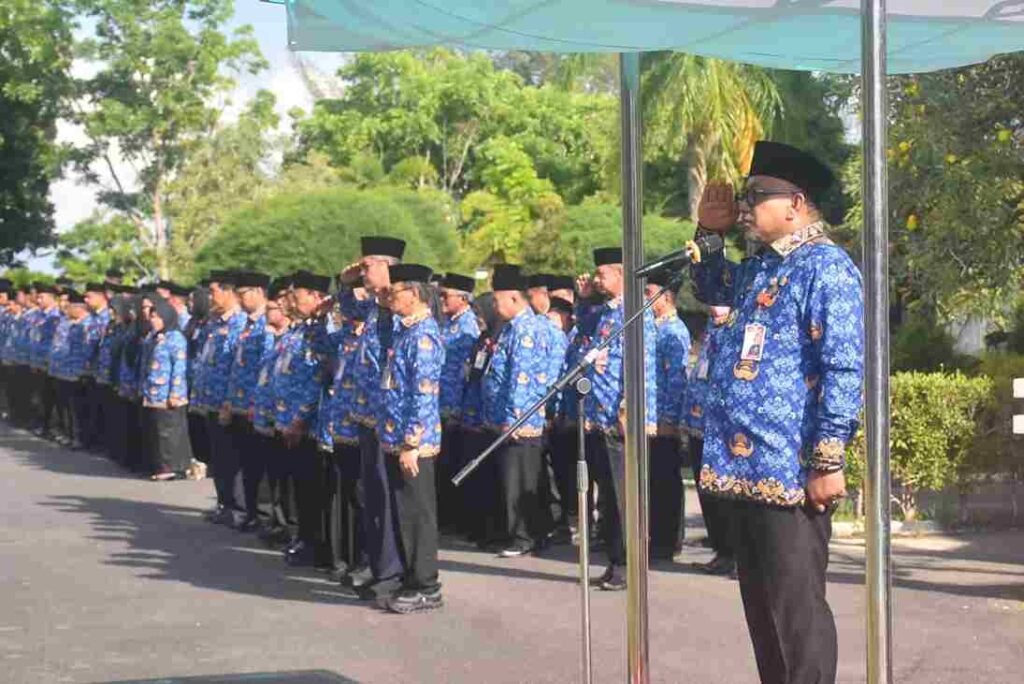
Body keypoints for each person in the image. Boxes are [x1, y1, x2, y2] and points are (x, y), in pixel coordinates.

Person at [693, 140, 864, 684]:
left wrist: (828, 459)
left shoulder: (827, 269)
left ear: (795, 202)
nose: (745, 206)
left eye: (755, 197)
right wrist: (711, 235)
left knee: (798, 613)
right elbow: (711, 286)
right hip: (747, 468)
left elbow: (843, 368)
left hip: (792, 470)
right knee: (763, 613)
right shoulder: (762, 267)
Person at [576, 247, 658, 590]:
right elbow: (583, 331)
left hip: (619, 417)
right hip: (600, 415)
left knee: (623, 497)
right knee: (608, 496)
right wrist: (583, 299)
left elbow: (640, 364)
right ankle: (614, 559)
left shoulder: (635, 312)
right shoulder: (608, 313)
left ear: (621, 275)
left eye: (602, 274)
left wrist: (629, 408)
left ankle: (629, 564)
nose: (597, 279)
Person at [339, 236, 406, 597]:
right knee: (372, 497)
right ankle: (379, 566)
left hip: (390, 420)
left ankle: (393, 573)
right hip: (366, 415)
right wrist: (347, 282)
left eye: (367, 266)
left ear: (388, 266)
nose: (362, 272)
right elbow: (346, 310)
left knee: (390, 498)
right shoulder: (372, 306)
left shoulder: (404, 306)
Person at [380, 263, 445, 614]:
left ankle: (427, 584)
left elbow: (423, 393)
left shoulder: (422, 336)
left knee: (418, 514)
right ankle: (411, 577)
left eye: (396, 291)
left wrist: (411, 443)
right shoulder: (404, 330)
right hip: (395, 435)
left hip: (414, 443)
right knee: (404, 513)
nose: (391, 296)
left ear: (416, 294)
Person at [483, 264, 551, 559]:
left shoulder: (525, 329)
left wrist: (513, 420)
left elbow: (520, 379)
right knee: (513, 481)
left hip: (520, 422)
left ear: (513, 298)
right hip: (507, 419)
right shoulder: (511, 328)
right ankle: (520, 533)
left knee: (520, 482)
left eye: (497, 300)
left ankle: (524, 536)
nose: (495, 307)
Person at [272, 271, 332, 568]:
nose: (292, 301)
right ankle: (302, 537)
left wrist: (299, 418)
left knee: (312, 489)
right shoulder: (301, 329)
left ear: (316, 297)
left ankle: (313, 543)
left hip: (310, 423)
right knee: (299, 487)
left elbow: (316, 377)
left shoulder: (322, 330)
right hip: (291, 418)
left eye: (297, 296)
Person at [683, 305, 737, 577]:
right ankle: (722, 551)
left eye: (720, 303)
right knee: (709, 498)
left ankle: (737, 556)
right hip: (698, 425)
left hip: (721, 429)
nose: (713, 308)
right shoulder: (710, 331)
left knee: (728, 498)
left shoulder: (735, 329)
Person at [643, 270, 691, 561]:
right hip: (649, 419)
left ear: (667, 297)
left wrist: (669, 420)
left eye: (649, 293)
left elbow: (676, 380)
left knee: (665, 483)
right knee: (653, 483)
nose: (645, 299)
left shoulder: (674, 331)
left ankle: (667, 541)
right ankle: (654, 537)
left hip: (663, 421)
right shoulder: (653, 328)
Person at [223, 271, 274, 531]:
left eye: (243, 294)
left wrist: (256, 404)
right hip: (240, 405)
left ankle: (262, 515)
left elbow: (264, 369)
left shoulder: (267, 324)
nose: (240, 299)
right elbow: (236, 366)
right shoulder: (246, 324)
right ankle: (248, 511)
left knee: (260, 466)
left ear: (257, 292)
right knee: (245, 463)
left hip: (257, 407)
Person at [199, 271, 248, 524]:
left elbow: (236, 368)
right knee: (218, 457)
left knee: (232, 458)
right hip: (211, 399)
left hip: (229, 403)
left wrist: (229, 402)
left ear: (229, 292)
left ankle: (238, 509)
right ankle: (224, 503)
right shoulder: (215, 324)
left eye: (214, 291)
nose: (210, 297)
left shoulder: (240, 323)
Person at [436, 272, 479, 532]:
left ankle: (455, 521)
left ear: (463, 299)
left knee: (454, 464)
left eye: (445, 295)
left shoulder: (468, 328)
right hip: (440, 403)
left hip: (456, 407)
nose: (441, 299)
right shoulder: (447, 324)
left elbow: (468, 373)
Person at [142, 296, 192, 480]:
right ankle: (161, 465)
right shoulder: (154, 337)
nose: (152, 320)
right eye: (152, 317)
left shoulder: (176, 338)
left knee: (169, 431)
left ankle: (172, 467)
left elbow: (179, 366)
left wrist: (175, 392)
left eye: (157, 317)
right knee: (157, 431)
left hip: (168, 394)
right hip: (153, 392)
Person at [82, 283, 112, 451]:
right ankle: (95, 440)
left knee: (104, 410)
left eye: (89, 296)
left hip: (105, 370)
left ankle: (103, 443)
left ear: (102, 296)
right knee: (93, 407)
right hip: (93, 370)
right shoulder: (92, 318)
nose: (86, 300)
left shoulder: (108, 317)